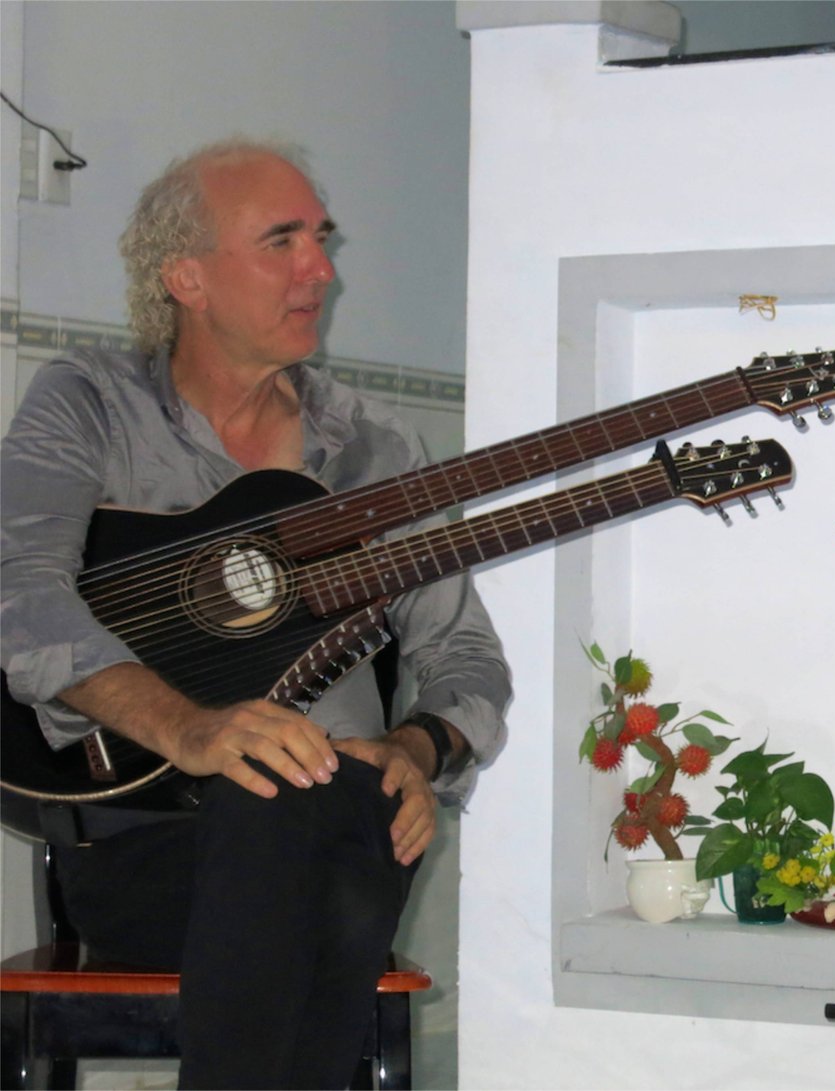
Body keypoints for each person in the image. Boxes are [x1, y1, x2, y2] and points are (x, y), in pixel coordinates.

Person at [0, 139, 511, 1088]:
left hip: (346, 824)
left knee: (325, 795)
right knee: (287, 810)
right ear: (185, 276)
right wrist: (189, 727)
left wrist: (414, 748)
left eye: (321, 237)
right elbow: (19, 593)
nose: (321, 268)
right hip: (146, 845)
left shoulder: (374, 448)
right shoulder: (90, 404)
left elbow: (468, 661)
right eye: (282, 241)